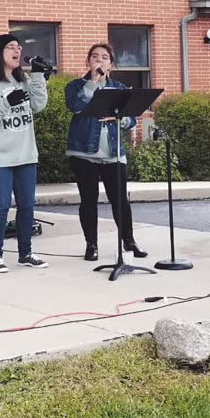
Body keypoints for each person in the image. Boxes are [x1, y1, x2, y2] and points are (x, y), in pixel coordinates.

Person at [0, 34, 49, 273]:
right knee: (0, 206)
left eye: (18, 47)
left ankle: (26, 253)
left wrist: (37, 76)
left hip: (25, 154)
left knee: (27, 205)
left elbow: (38, 105)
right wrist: (6, 103)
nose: (17, 50)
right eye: (10, 47)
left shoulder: (22, 80)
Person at [65, 43, 147, 261]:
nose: (99, 61)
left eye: (104, 57)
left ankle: (129, 241)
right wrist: (93, 82)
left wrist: (120, 118)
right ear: (88, 62)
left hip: (113, 153)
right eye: (94, 57)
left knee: (120, 199)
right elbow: (76, 107)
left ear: (111, 64)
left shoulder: (119, 88)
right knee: (88, 200)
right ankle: (91, 244)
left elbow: (131, 120)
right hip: (83, 153)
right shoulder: (75, 86)